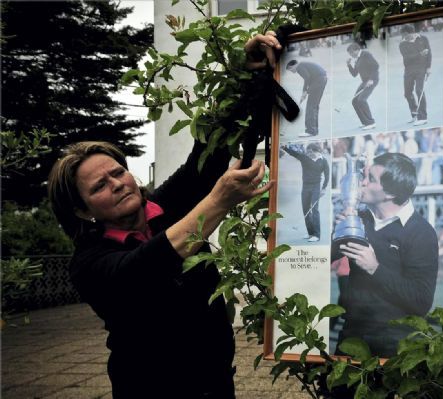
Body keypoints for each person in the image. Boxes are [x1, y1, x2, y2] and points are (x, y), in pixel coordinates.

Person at [46, 32, 280, 399]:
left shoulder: (165, 206)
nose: (117, 184)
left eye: (117, 172)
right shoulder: (89, 263)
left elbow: (208, 150)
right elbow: (146, 265)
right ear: (82, 210)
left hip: (216, 382)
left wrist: (241, 72)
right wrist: (219, 199)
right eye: (98, 187)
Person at [333, 153, 438, 358]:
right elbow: (322, 260)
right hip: (351, 336)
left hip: (395, 344)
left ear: (390, 193)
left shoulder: (421, 233)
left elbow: (421, 302)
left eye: (370, 179)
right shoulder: (358, 220)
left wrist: (375, 268)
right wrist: (339, 232)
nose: (362, 182)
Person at [282, 142, 329, 242]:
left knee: (315, 210)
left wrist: (324, 189)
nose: (308, 154)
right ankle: (310, 233)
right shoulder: (304, 158)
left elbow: (327, 176)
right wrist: (285, 148)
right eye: (307, 152)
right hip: (306, 187)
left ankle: (317, 235)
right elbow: (295, 154)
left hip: (316, 187)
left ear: (314, 151)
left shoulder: (323, 161)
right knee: (306, 210)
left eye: (309, 152)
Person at [398, 24, 431, 126]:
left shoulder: (423, 39)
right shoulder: (402, 44)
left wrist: (429, 67)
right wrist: (420, 54)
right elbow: (407, 57)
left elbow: (429, 53)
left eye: (406, 35)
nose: (404, 37)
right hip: (408, 69)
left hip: (421, 68)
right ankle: (414, 114)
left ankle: (423, 117)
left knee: (419, 90)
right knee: (407, 93)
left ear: (412, 32)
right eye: (403, 35)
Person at [286, 60, 328, 137]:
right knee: (314, 106)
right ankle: (314, 130)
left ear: (293, 66)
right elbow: (307, 79)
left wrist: (306, 92)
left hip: (318, 81)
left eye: (291, 70)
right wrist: (304, 91)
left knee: (310, 107)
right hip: (322, 80)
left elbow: (307, 78)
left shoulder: (299, 67)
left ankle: (310, 131)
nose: (292, 72)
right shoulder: (302, 65)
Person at [346, 42, 379, 130]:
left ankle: (371, 123)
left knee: (362, 100)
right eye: (349, 53)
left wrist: (371, 79)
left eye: (351, 53)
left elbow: (376, 66)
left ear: (357, 50)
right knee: (355, 101)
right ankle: (365, 122)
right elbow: (354, 74)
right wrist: (349, 65)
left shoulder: (366, 54)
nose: (351, 55)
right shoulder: (357, 59)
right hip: (364, 81)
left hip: (372, 80)